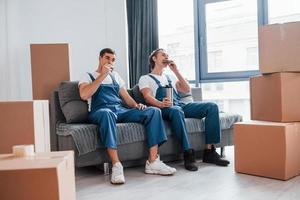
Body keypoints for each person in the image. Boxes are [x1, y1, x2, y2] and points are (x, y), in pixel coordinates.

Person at [79, 48, 176, 185]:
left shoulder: (115, 76)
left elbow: (126, 97)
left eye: (113, 60)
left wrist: (137, 106)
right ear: (100, 58)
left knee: (154, 111)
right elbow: (84, 95)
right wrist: (102, 76)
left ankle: (153, 161)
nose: (110, 62)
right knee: (107, 113)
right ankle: (116, 165)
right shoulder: (88, 76)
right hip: (101, 111)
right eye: (107, 58)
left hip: (120, 110)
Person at [138, 48, 230, 171]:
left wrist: (176, 71)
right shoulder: (145, 78)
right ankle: (187, 153)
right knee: (176, 110)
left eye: (167, 55)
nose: (166, 57)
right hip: (162, 107)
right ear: (154, 58)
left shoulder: (170, 76)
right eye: (163, 55)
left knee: (212, 106)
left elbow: (187, 90)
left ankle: (209, 152)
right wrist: (161, 104)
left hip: (179, 105)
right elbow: (147, 97)